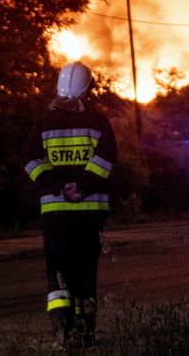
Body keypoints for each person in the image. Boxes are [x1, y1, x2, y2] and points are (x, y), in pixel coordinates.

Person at [22, 61, 117, 345]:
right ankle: (85, 331)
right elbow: (106, 161)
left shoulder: (42, 122)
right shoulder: (99, 121)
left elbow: (29, 160)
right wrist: (82, 187)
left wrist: (56, 187)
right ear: (89, 89)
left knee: (58, 268)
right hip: (89, 213)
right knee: (86, 270)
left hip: (55, 213)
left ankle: (62, 323)